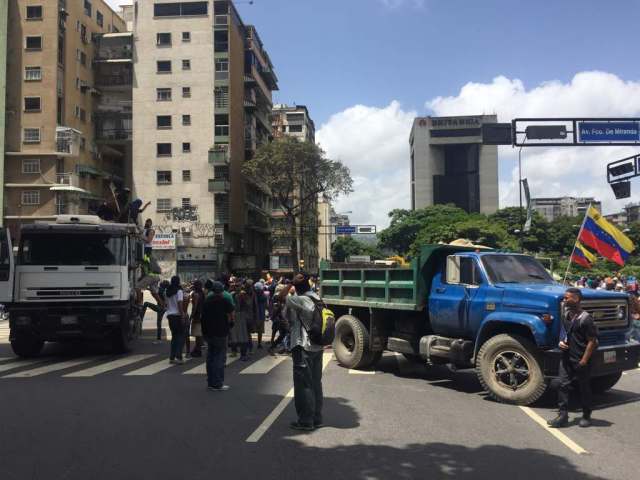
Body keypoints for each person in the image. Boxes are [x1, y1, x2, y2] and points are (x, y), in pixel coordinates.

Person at [548, 287, 598, 428]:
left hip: (581, 359)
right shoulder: (566, 314)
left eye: (567, 298)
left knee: (584, 387)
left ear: (576, 299)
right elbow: (564, 332)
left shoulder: (585, 319)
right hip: (566, 357)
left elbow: (592, 341)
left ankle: (586, 415)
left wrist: (584, 360)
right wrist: (561, 341)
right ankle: (562, 416)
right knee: (563, 385)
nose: (564, 300)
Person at [283, 273, 325, 431]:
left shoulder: (300, 299)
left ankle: (306, 421)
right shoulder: (317, 298)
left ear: (297, 288)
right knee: (316, 383)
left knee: (303, 385)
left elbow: (280, 297)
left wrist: (289, 283)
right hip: (317, 345)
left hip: (303, 345)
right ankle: (317, 418)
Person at [201, 280, 235, 391]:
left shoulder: (206, 301)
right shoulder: (224, 301)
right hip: (221, 332)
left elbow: (203, 318)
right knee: (219, 358)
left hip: (208, 333)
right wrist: (230, 323)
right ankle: (218, 383)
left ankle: (210, 382)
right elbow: (231, 314)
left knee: (210, 357)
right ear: (221, 291)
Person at [165, 275, 187, 364]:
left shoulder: (167, 291)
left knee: (174, 336)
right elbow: (180, 304)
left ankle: (172, 357)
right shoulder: (179, 291)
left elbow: (166, 304)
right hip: (177, 316)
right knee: (181, 336)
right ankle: (179, 356)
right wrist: (182, 316)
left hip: (170, 315)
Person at [229, 284, 252, 361]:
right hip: (240, 316)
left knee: (239, 336)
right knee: (241, 336)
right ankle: (241, 353)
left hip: (240, 316)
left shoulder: (240, 295)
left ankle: (239, 353)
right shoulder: (238, 295)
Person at [189, 280, 205, 357]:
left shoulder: (195, 294)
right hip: (202, 314)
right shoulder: (202, 293)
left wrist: (191, 316)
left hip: (197, 316)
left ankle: (198, 350)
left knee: (197, 334)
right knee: (199, 333)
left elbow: (194, 307)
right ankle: (197, 349)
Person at [254, 281, 267, 349]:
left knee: (250, 329)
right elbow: (266, 305)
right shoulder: (264, 296)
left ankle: (249, 344)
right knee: (260, 331)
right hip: (261, 315)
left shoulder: (253, 295)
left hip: (254, 315)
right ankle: (259, 343)